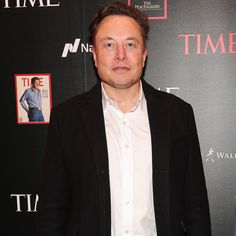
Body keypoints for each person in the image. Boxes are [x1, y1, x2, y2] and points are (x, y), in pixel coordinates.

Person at [37, 2, 211, 236]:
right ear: (95, 55)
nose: (120, 55)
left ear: (144, 54)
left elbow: (196, 207)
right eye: (109, 45)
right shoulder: (66, 119)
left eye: (130, 44)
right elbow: (51, 213)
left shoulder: (178, 115)